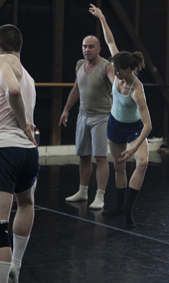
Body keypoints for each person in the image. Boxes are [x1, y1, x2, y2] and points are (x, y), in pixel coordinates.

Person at [0, 24, 39, 283]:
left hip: (2, 151)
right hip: (28, 153)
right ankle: (15, 265)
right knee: (26, 203)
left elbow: (12, 90)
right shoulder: (29, 76)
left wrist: (23, 120)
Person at [90, 4, 152, 228]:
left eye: (116, 70)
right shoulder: (117, 66)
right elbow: (110, 41)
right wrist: (102, 17)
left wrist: (135, 148)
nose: (113, 73)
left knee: (142, 163)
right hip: (115, 125)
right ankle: (118, 205)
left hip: (135, 128)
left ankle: (128, 209)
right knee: (118, 166)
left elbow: (148, 125)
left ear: (127, 69)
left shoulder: (137, 90)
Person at [58, 31, 115, 209]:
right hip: (83, 115)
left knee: (100, 157)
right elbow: (76, 88)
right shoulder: (80, 64)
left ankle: (100, 195)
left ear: (99, 49)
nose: (87, 49)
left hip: (101, 117)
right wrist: (66, 109)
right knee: (83, 156)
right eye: (84, 46)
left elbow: (114, 82)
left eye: (91, 46)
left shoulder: (106, 66)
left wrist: (117, 89)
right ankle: (83, 191)